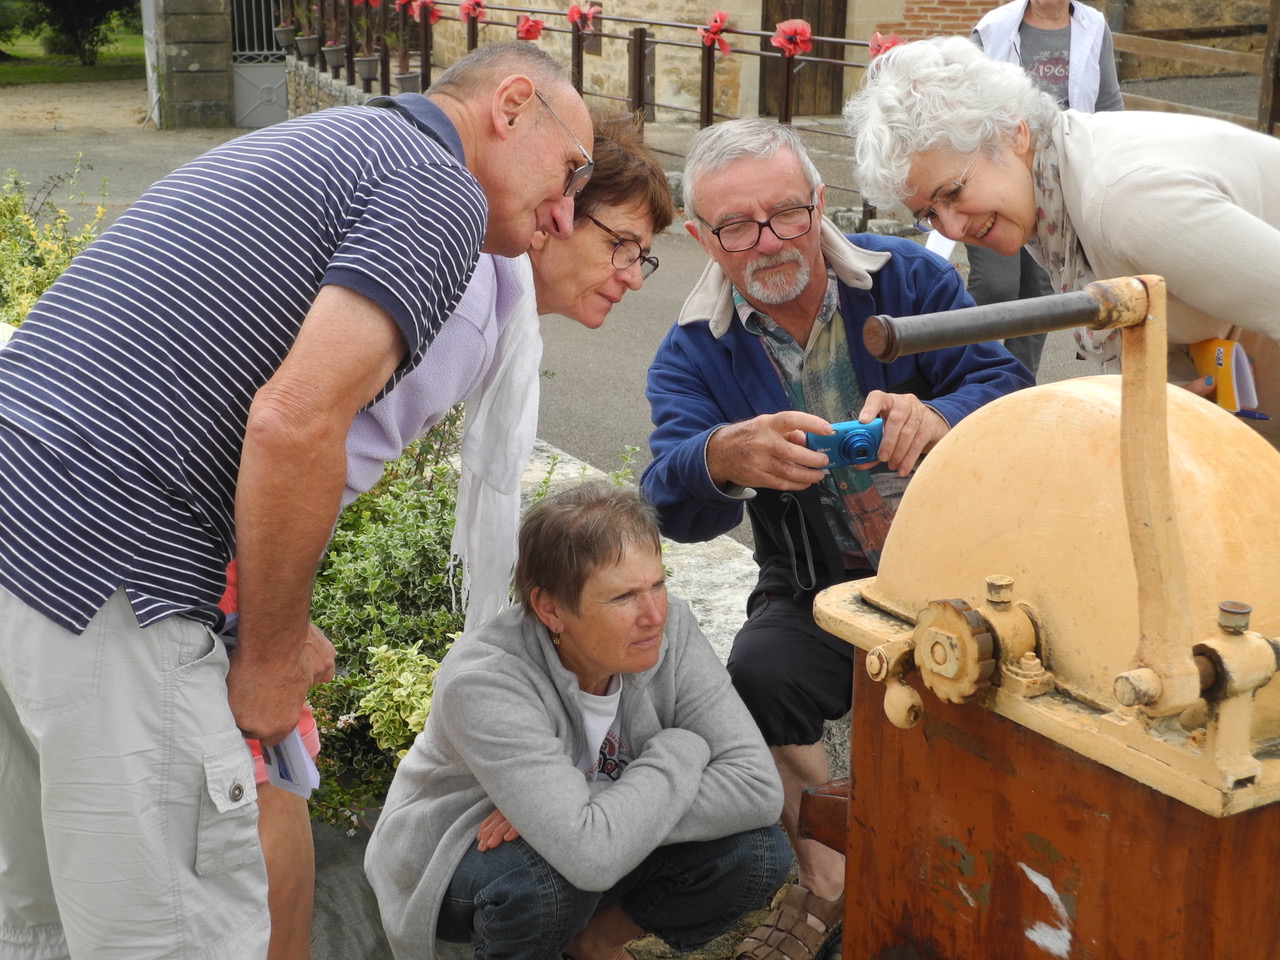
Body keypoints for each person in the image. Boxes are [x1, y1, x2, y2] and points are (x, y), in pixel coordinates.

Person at [0, 40, 592, 959]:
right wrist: (269, 657)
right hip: (111, 565)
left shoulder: (340, 140)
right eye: (570, 170)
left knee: (45, 928)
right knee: (171, 935)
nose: (564, 209)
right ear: (511, 105)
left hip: (24, 538)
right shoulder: (440, 188)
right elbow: (295, 423)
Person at [246, 115, 674, 960]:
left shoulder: (493, 305)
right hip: (179, 561)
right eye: (620, 243)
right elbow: (306, 435)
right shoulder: (469, 300)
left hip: (185, 549)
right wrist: (268, 626)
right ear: (555, 207)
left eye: (644, 255)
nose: (631, 275)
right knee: (265, 785)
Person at [639, 117, 1032, 960]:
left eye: (786, 212)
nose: (770, 240)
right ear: (702, 238)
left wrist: (940, 417)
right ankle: (830, 879)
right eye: (738, 226)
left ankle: (994, 864)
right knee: (759, 671)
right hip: (819, 586)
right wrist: (722, 456)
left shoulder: (910, 277)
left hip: (968, 575)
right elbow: (671, 501)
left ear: (820, 204)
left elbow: (1008, 386)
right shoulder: (690, 354)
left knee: (1026, 693)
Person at [364, 482, 792, 960]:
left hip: (594, 839)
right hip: (457, 857)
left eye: (658, 584)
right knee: (544, 880)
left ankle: (594, 944)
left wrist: (585, 810)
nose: (653, 614)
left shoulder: (671, 630)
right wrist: (682, 750)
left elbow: (758, 789)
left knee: (757, 852)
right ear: (551, 609)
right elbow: (587, 857)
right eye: (623, 597)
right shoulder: (485, 680)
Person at [844, 35, 1280, 447]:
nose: (953, 229)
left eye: (953, 193)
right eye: (929, 214)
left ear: (1013, 133)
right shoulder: (1055, 196)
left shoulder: (1124, 201)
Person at [968, 0, 1124, 374]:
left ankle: (1015, 384)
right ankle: (963, 372)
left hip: (1060, 180)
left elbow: (1108, 104)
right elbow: (964, 101)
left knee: (1039, 296)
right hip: (998, 176)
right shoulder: (992, 29)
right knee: (995, 286)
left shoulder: (1094, 26)